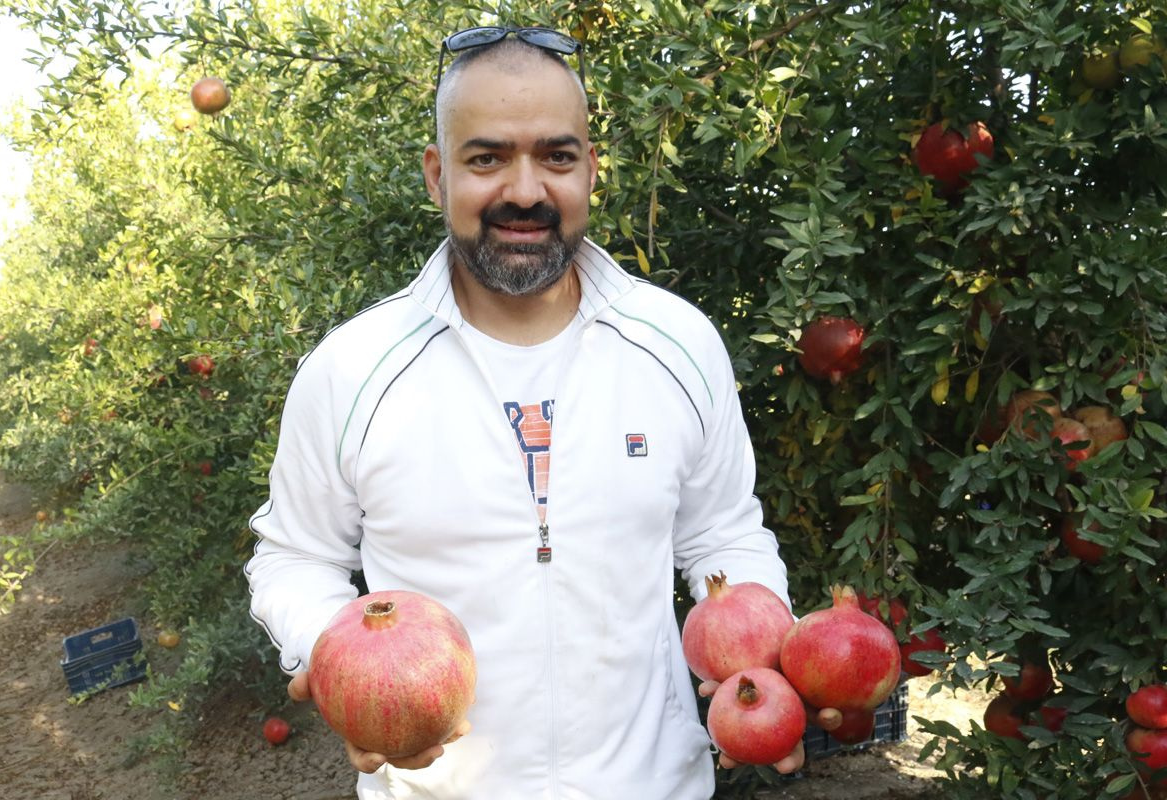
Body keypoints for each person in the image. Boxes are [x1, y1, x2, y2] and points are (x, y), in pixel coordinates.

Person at [246, 25, 833, 799]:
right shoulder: (351, 370)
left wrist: (758, 666)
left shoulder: (679, 344)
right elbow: (294, 557)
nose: (524, 191)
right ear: (437, 175)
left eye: (556, 156)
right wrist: (340, 661)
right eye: (486, 158)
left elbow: (724, 534)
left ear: (591, 170)